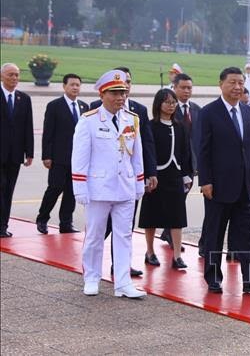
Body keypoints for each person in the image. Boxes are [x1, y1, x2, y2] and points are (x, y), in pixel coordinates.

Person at [72, 69, 146, 298]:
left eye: (123, 92)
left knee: (124, 236)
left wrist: (139, 183)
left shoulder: (131, 119)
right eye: (114, 93)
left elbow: (137, 155)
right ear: (103, 94)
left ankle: (122, 282)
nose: (120, 97)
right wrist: (80, 188)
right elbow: (80, 157)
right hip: (99, 189)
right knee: (94, 235)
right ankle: (92, 277)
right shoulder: (89, 120)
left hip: (125, 188)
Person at [198, 66, 250, 294]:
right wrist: (206, 180)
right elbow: (203, 150)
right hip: (218, 186)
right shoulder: (209, 112)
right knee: (215, 234)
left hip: (245, 186)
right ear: (221, 84)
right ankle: (213, 278)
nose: (238, 87)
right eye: (233, 82)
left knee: (247, 234)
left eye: (241, 83)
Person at [90, 66, 157, 277]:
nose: (124, 87)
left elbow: (145, 144)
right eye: (119, 84)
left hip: (128, 181)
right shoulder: (95, 109)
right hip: (104, 182)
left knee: (125, 227)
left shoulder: (138, 111)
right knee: (101, 228)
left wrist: (150, 172)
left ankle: (121, 266)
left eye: (127, 82)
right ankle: (92, 265)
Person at [139, 89, 192, 269]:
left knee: (177, 216)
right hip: (156, 177)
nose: (171, 106)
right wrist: (147, 175)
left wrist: (186, 175)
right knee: (151, 215)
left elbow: (185, 153)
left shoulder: (180, 127)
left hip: (175, 175)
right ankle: (150, 251)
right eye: (167, 102)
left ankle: (177, 255)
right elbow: (146, 152)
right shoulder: (151, 126)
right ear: (158, 104)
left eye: (173, 102)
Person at [36, 73, 89, 234]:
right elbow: (48, 133)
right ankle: (42, 218)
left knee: (71, 192)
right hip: (58, 158)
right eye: (72, 84)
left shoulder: (84, 107)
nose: (75, 87)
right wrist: (46, 155)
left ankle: (66, 223)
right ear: (64, 86)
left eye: (77, 85)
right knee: (54, 188)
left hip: (77, 159)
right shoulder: (54, 106)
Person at [159, 73, 201, 252]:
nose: (186, 91)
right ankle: (169, 232)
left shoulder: (197, 109)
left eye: (189, 88)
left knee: (180, 199)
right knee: (173, 200)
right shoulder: (168, 109)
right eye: (182, 87)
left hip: (189, 165)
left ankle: (168, 231)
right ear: (174, 88)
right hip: (171, 163)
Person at [0, 63, 33, 238]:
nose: (14, 78)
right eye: (10, 75)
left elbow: (28, 127)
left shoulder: (24, 99)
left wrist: (30, 152)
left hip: (15, 154)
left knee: (8, 190)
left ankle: (3, 226)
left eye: (17, 75)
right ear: (1, 76)